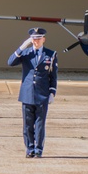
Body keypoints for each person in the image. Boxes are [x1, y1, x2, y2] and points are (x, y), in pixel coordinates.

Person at [8, 26, 58, 158]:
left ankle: (38, 149)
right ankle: (29, 148)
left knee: (40, 124)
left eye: (39, 38)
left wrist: (52, 93)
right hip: (27, 93)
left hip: (42, 94)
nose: (36, 41)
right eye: (34, 39)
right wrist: (22, 46)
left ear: (43, 39)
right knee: (28, 124)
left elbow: (53, 76)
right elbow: (10, 62)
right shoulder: (25, 53)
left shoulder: (51, 54)